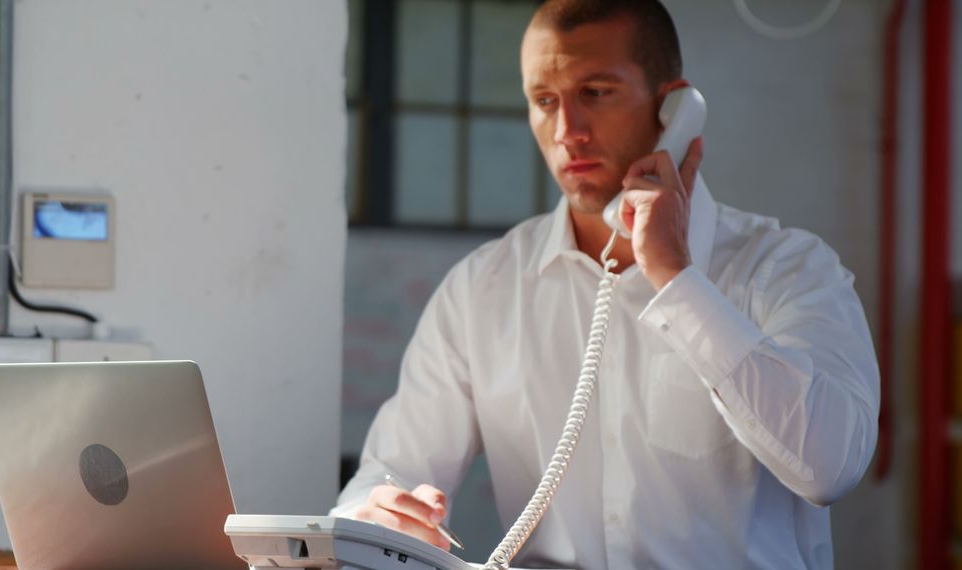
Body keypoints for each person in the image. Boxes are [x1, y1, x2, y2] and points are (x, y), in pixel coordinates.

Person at [332, 1, 879, 568]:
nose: (567, 131)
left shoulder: (789, 269)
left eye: (595, 92)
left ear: (674, 108)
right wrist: (376, 513)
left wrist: (677, 277)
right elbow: (390, 474)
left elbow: (831, 467)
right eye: (545, 101)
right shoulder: (482, 288)